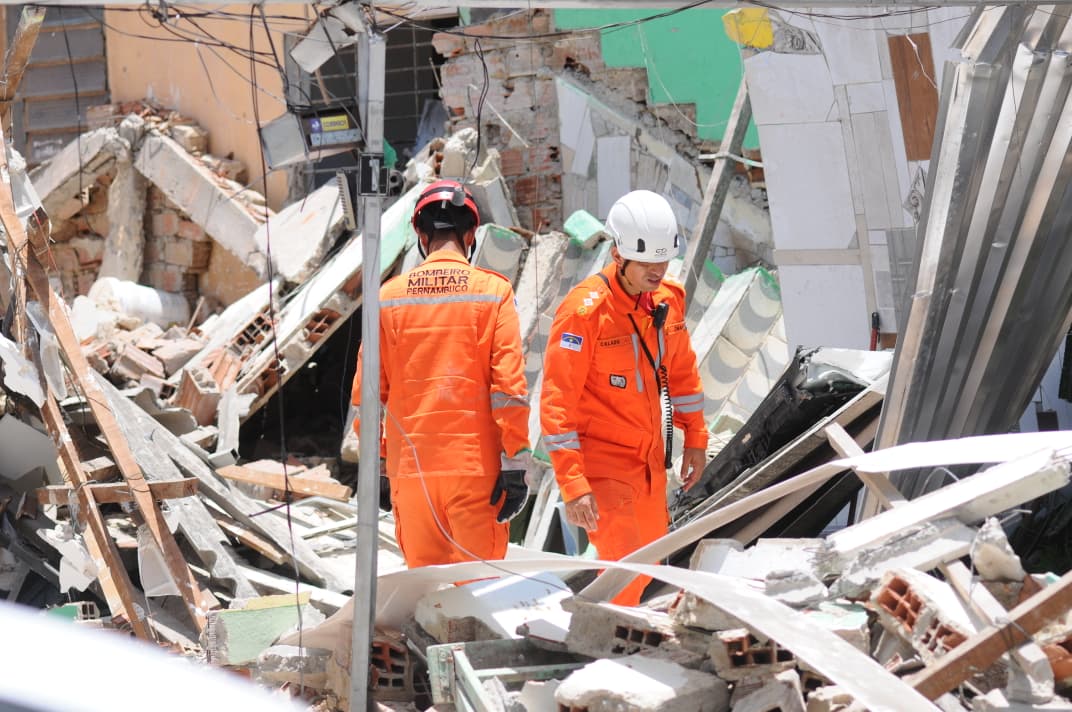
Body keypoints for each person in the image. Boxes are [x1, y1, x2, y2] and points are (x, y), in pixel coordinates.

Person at [350, 178, 533, 567]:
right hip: (475, 471)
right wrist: (515, 461)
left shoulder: (387, 297)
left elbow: (366, 397)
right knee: (477, 596)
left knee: (425, 600)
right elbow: (509, 388)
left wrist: (379, 466)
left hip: (410, 471)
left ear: (419, 232)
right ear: (471, 235)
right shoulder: (493, 291)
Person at [541, 189, 708, 605]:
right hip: (606, 473)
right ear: (619, 255)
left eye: (663, 260)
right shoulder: (585, 313)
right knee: (626, 582)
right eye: (647, 262)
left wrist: (697, 439)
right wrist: (574, 484)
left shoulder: (666, 302)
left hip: (649, 468)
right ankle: (613, 660)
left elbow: (683, 375)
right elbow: (557, 402)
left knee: (649, 573)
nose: (657, 270)